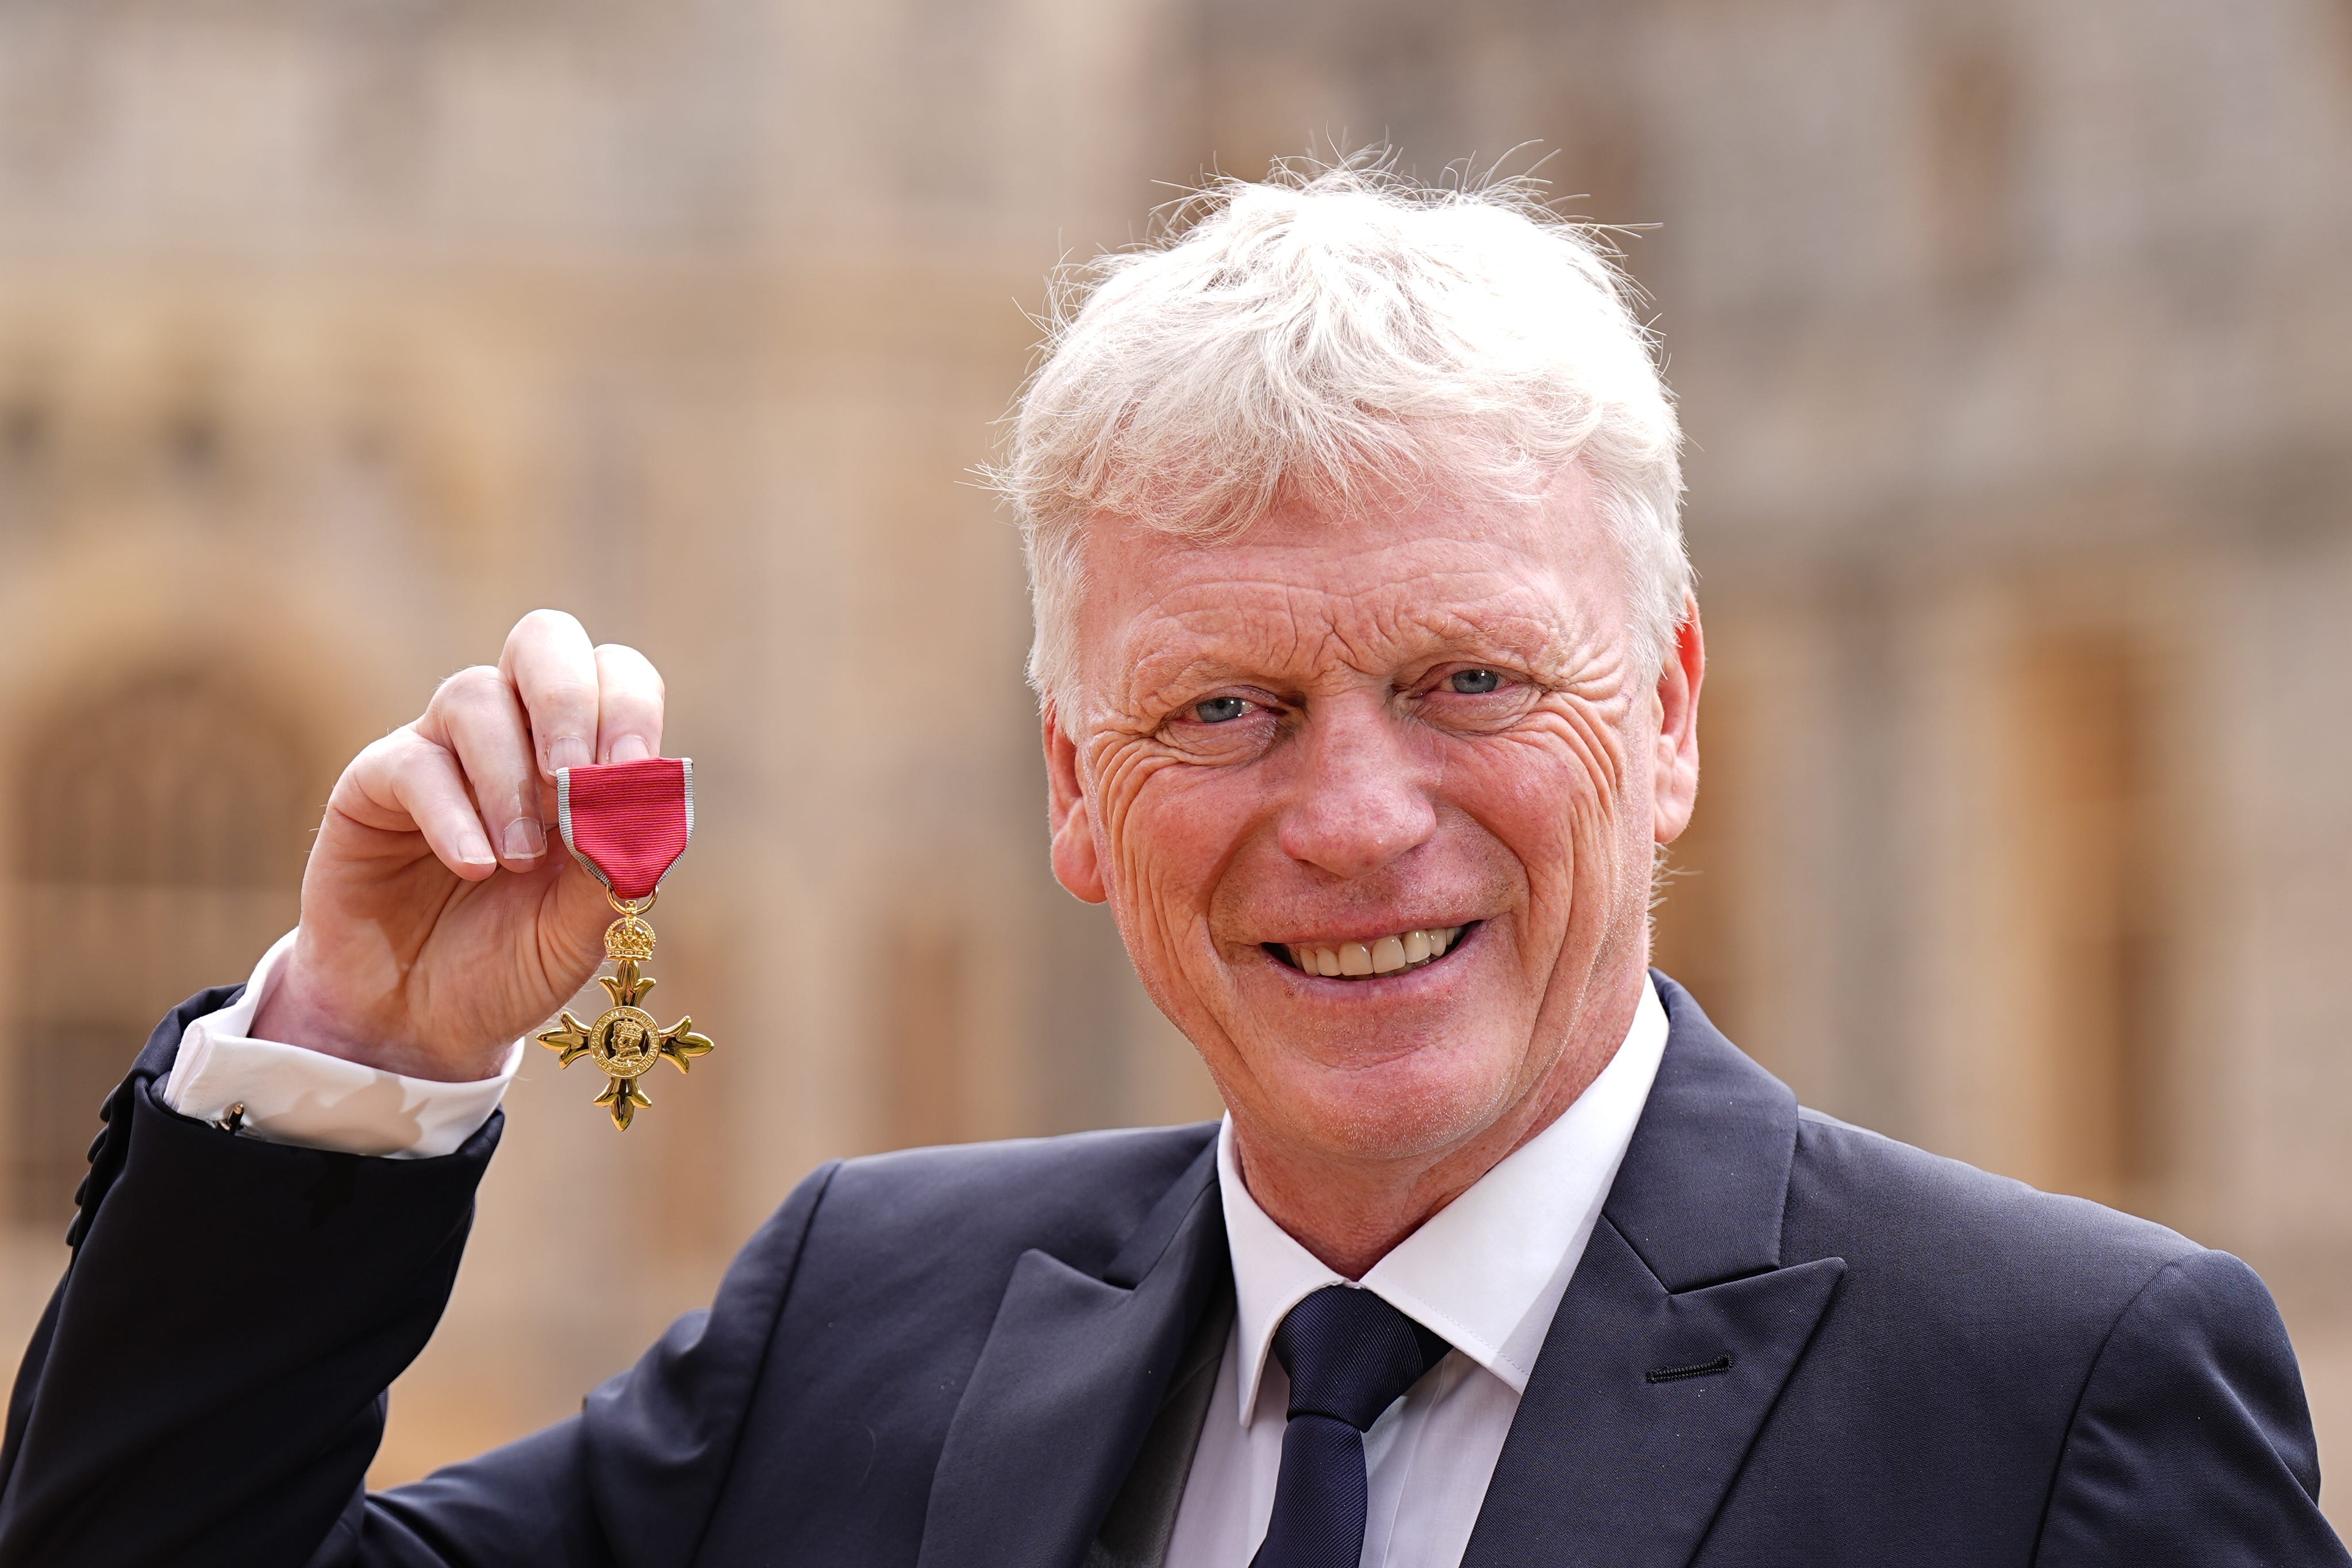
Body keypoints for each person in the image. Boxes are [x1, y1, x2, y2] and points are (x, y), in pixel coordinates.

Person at [0, 166, 2342, 1568]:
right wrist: (357, 1058)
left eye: (1470, 683)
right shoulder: (868, 1325)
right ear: (1071, 786)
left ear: (1675, 713)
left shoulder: (2060, 1403)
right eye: (1223, 707)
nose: (1348, 815)